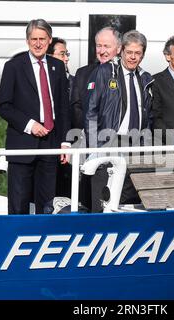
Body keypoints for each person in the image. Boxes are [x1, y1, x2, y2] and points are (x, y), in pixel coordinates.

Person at [0, 19, 70, 214]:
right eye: (33, 39)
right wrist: (30, 125)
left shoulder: (57, 66)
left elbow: (63, 108)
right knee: (18, 205)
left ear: (49, 40)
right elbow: (3, 106)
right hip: (22, 145)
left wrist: (65, 143)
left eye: (42, 39)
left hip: (50, 145)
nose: (38, 44)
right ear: (27, 40)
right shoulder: (13, 66)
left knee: (47, 205)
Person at [84, 30, 153, 212]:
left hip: (134, 146)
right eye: (129, 52)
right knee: (101, 202)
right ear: (121, 50)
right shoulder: (105, 71)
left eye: (137, 53)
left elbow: (147, 116)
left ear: (143, 55)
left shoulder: (145, 78)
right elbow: (91, 111)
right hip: (107, 142)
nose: (132, 57)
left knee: (125, 203)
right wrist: (94, 147)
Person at [69, 26, 122, 210]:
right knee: (88, 199)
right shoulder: (83, 73)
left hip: (118, 145)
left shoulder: (123, 73)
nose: (102, 51)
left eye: (107, 46)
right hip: (88, 145)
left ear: (119, 48)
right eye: (98, 46)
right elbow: (76, 107)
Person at [47, 37, 74, 198]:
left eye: (67, 53)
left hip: (69, 143)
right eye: (62, 54)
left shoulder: (74, 81)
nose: (66, 58)